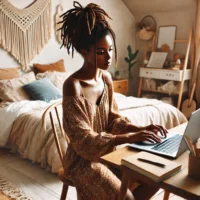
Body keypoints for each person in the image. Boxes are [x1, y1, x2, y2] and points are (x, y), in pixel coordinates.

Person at [61, 2, 168, 200]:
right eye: (101, 52)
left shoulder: (106, 79)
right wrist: (131, 138)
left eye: (110, 49)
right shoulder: (72, 85)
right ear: (84, 52)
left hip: (108, 153)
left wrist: (141, 128)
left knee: (155, 177)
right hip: (82, 162)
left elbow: (113, 120)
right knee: (126, 197)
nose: (108, 57)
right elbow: (84, 141)